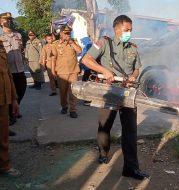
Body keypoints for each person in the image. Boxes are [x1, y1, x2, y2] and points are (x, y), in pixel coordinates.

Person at [82, 15, 149, 180]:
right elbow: (86, 59)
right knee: (105, 126)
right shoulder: (104, 43)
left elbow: (136, 69)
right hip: (108, 92)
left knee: (130, 131)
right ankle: (103, 152)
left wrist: (133, 76)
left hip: (127, 92)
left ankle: (131, 168)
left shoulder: (133, 48)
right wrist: (104, 71)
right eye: (127, 30)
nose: (129, 33)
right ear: (117, 29)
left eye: (131, 30)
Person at [0, 12, 27, 125]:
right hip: (8, 71)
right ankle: (12, 115)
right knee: (10, 93)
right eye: (6, 20)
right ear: (1, 23)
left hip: (20, 68)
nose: (9, 22)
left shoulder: (18, 35)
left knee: (22, 89)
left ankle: (16, 107)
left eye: (10, 19)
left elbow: (21, 50)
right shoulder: (0, 37)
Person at [51, 25, 82, 118]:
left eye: (69, 33)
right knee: (63, 92)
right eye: (66, 33)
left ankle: (73, 110)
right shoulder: (55, 44)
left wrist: (71, 42)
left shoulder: (73, 42)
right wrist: (53, 71)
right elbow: (53, 59)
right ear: (61, 33)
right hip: (61, 73)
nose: (68, 35)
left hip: (73, 72)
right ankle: (64, 106)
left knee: (73, 92)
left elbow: (80, 51)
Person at [0, 39, 21, 177]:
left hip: (3, 99)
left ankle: (4, 165)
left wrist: (14, 99)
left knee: (3, 135)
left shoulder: (0, 44)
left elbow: (8, 74)